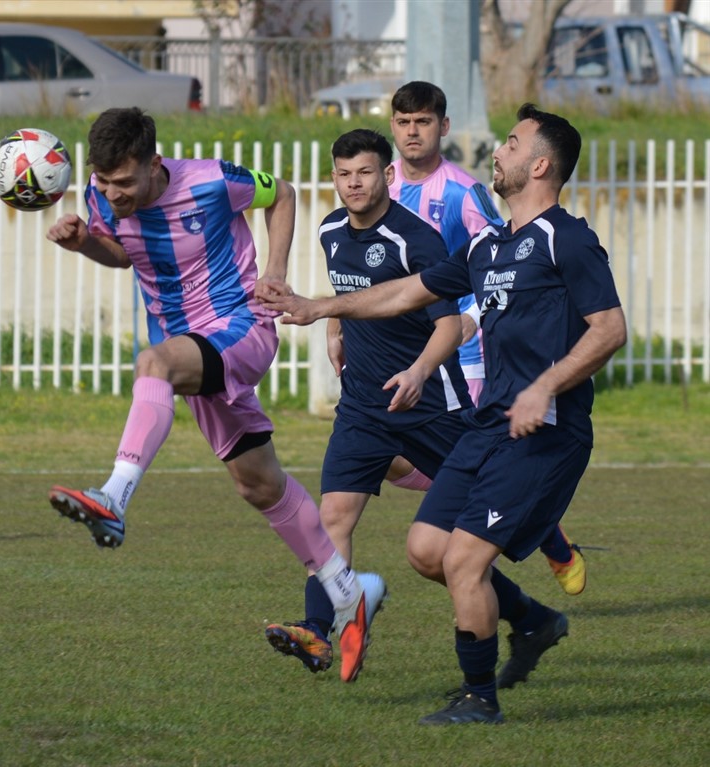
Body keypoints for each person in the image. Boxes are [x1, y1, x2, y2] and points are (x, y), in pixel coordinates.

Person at [261, 104, 627, 724]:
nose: (498, 151)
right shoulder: (489, 243)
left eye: (511, 143)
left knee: (462, 560)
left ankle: (479, 699)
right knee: (427, 549)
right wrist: (320, 307)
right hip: (490, 425)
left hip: (544, 431)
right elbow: (408, 291)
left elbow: (610, 329)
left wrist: (544, 387)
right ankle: (533, 622)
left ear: (540, 165)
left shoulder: (566, 238)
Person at [44, 107, 386, 683]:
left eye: (123, 182)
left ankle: (115, 500)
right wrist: (84, 243)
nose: (112, 193)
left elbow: (283, 194)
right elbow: (121, 251)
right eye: (103, 182)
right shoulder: (101, 195)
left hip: (240, 328)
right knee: (259, 485)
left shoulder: (210, 180)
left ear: (154, 164)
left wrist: (273, 271)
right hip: (190, 351)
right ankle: (350, 592)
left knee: (151, 363)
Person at [265, 128, 473, 676]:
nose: (353, 183)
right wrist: (335, 327)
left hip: (431, 403)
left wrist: (418, 372)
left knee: (475, 523)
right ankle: (316, 629)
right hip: (362, 403)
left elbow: (449, 325)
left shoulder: (417, 241)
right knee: (332, 515)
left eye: (364, 172)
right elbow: (350, 294)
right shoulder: (330, 229)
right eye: (343, 174)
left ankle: (533, 604)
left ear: (387, 175)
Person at [384, 81, 586, 597]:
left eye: (423, 122)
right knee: (393, 457)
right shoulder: (382, 186)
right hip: (408, 352)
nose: (412, 132)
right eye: (403, 122)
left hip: (470, 356)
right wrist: (334, 318)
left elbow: (501, 260)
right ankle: (531, 544)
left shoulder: (463, 191)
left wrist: (472, 319)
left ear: (443, 127)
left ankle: (540, 539)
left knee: (481, 461)